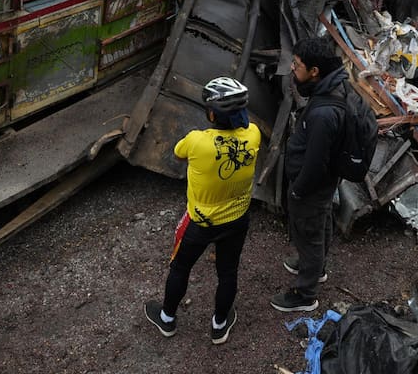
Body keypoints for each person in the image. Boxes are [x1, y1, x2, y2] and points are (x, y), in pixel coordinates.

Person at [144, 77, 261, 344]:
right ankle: (219, 325)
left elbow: (177, 154)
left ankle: (167, 320)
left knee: (180, 268)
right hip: (237, 219)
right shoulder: (253, 135)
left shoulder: (197, 141)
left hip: (201, 222)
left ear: (211, 113)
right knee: (228, 272)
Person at [271, 36, 354, 313]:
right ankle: (317, 267)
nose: (293, 70)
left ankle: (305, 294)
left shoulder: (324, 113)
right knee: (322, 221)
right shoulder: (334, 86)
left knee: (309, 231)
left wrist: (298, 189)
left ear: (315, 71)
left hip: (312, 185)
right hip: (325, 182)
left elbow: (316, 162)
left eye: (297, 65)